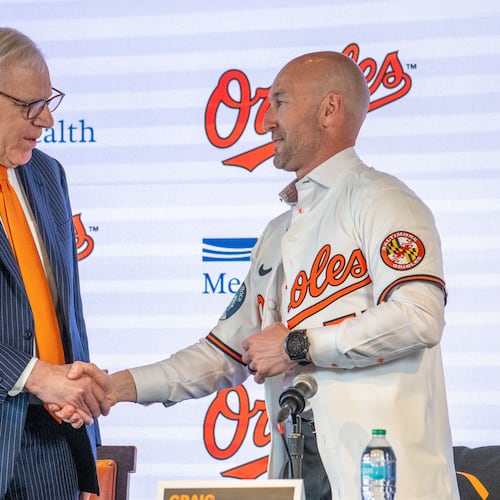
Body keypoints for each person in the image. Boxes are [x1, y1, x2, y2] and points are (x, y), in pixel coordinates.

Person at [64, 51, 460, 499]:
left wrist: (296, 344)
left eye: (279, 102)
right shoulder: (277, 233)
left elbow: (419, 316)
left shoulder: (384, 200)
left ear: (329, 109)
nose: (263, 120)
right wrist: (114, 387)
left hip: (383, 477)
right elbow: (222, 355)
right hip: (299, 471)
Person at [0, 27, 111, 500]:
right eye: (30, 105)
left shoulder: (47, 173)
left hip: (54, 443)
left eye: (49, 102)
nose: (45, 120)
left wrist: (76, 401)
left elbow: (68, 314)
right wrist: (31, 375)